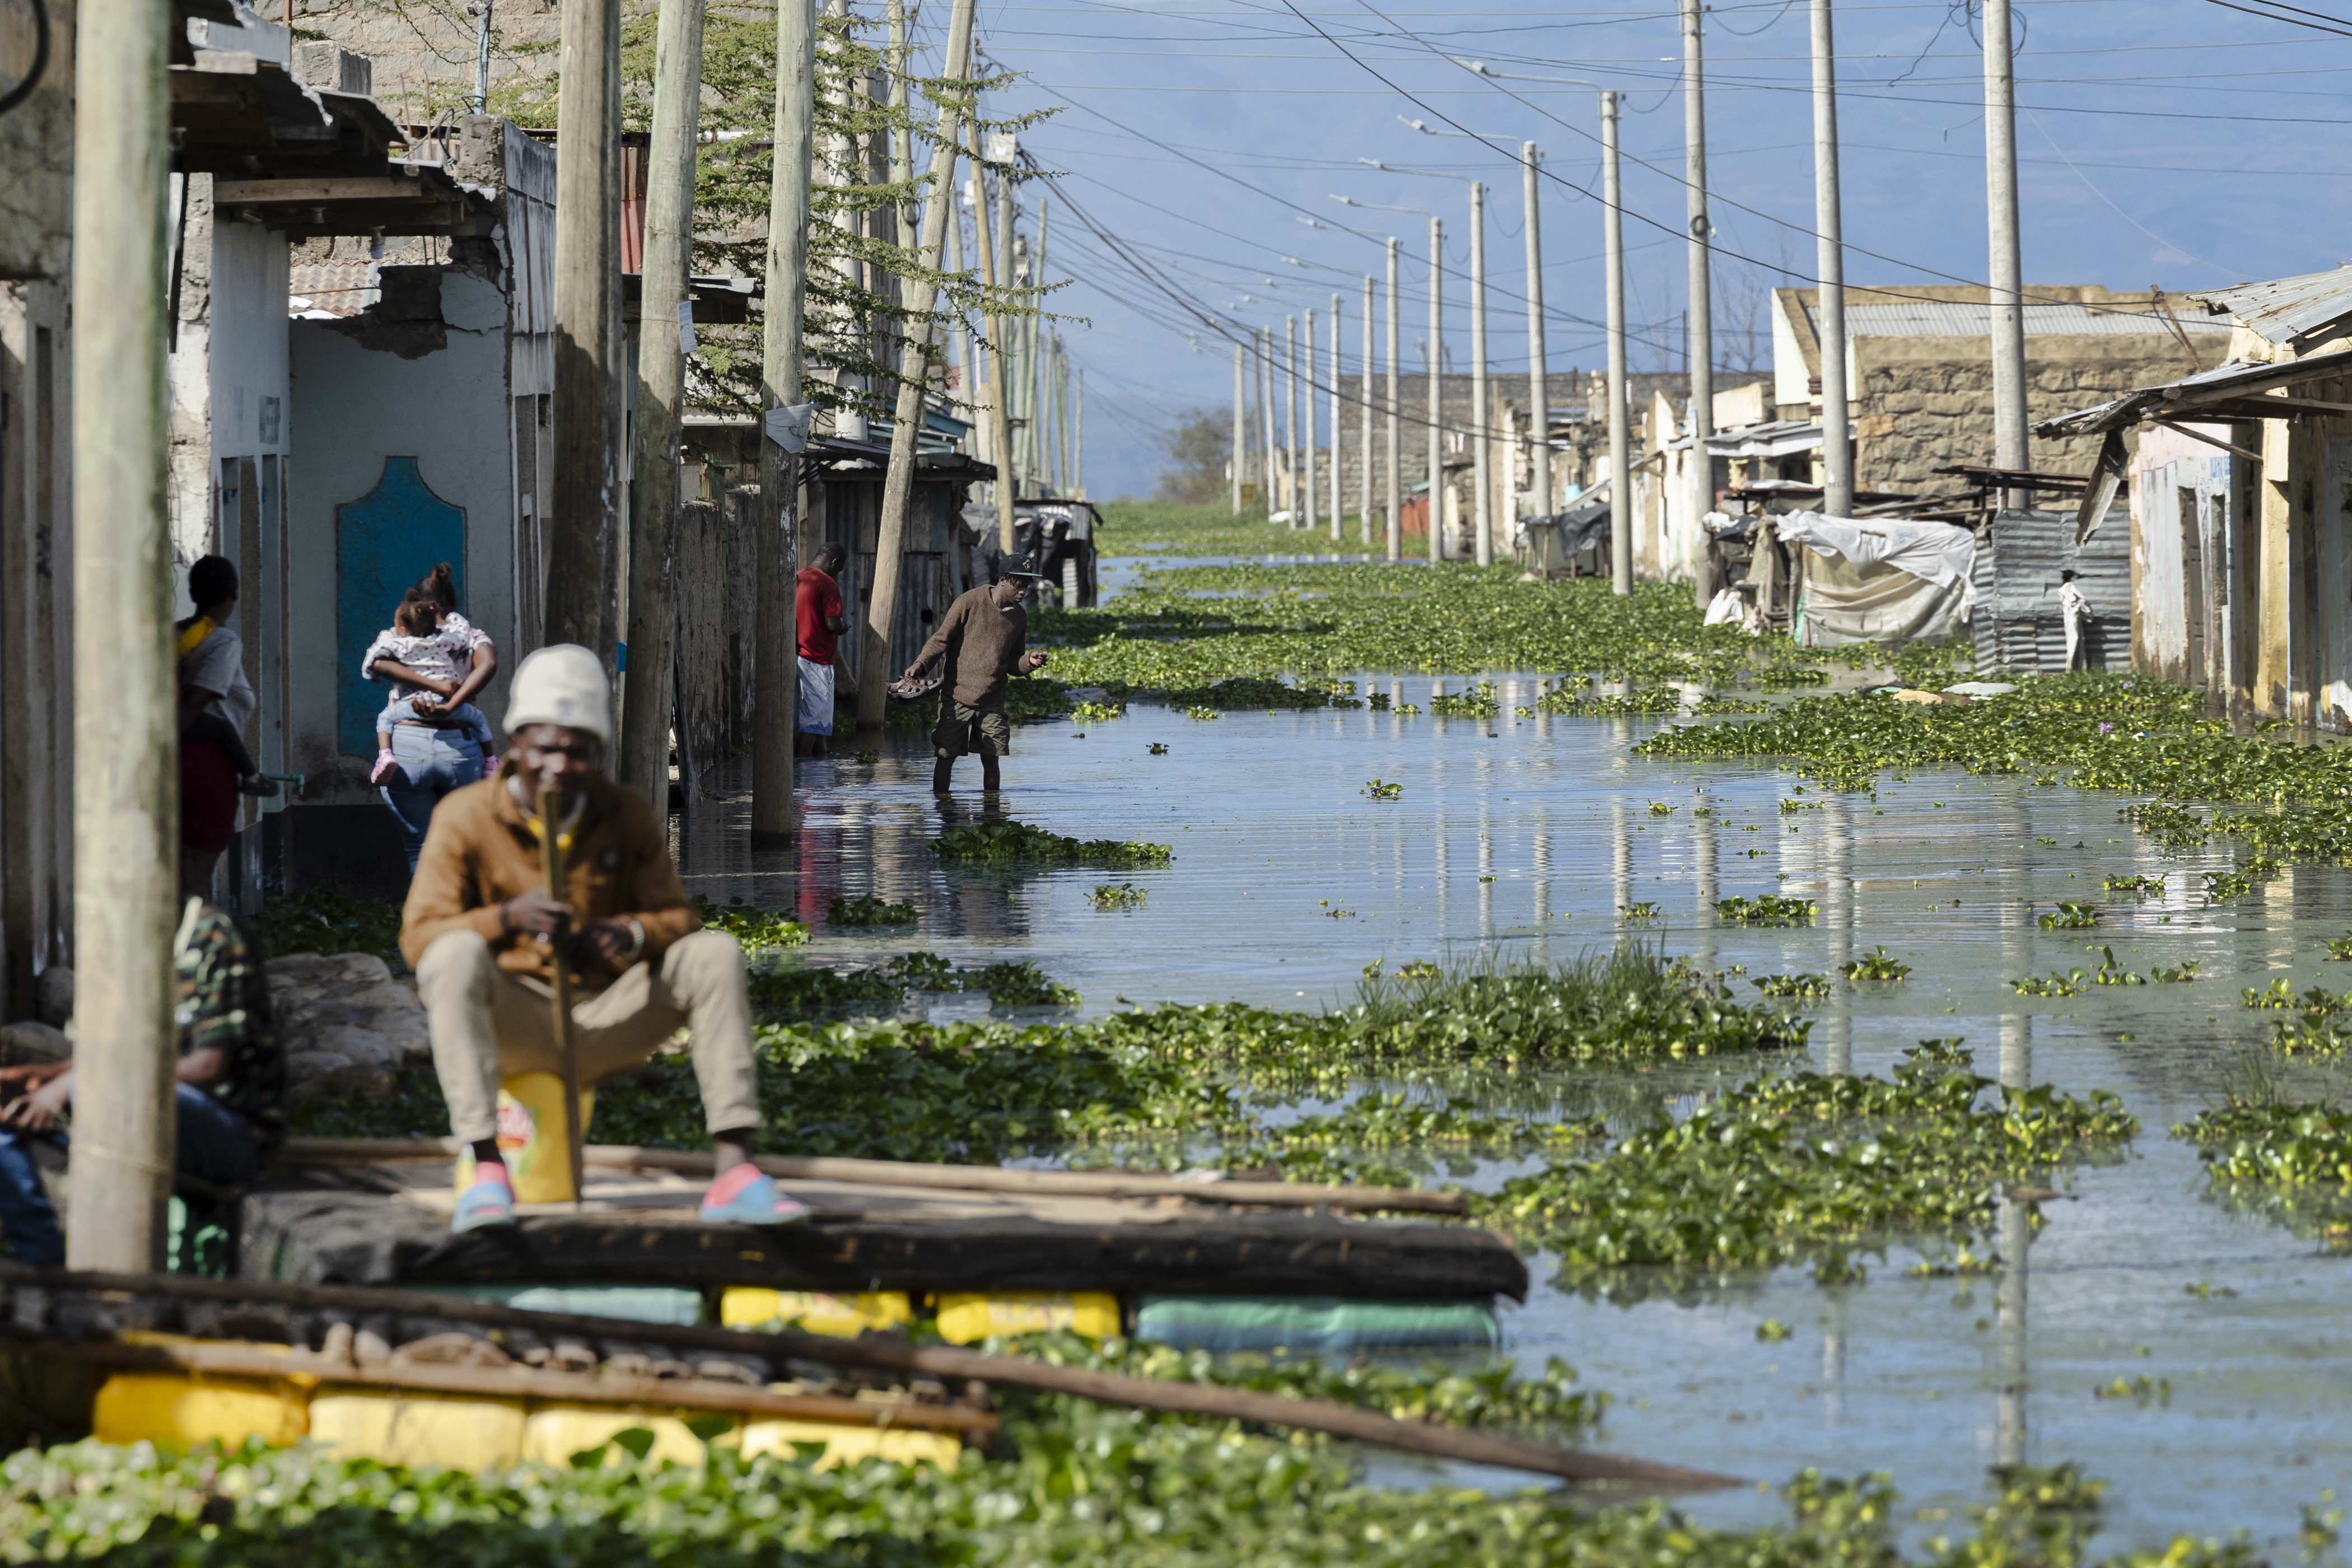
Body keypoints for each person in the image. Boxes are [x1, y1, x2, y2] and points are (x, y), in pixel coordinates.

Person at [402, 643, 808, 1234]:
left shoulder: (627, 814)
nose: (560, 767)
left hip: (607, 1017)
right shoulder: (465, 816)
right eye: (546, 750)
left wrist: (631, 933)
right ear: (517, 745)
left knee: (713, 952)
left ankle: (735, 1170)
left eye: (578, 753)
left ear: (597, 752)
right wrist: (506, 918)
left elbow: (679, 919)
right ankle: (488, 1166)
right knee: (455, 955)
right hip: (515, 1021)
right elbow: (419, 938)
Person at [0, 898, 284, 1266]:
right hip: (148, 1109)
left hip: (232, 1136)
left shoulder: (213, 936)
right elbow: (111, 1059)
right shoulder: (127, 941)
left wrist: (74, 1084)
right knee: (8, 1126)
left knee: (93, 1090)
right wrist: (35, 1076)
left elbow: (207, 1066)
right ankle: (43, 1269)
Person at [365, 566, 497, 872]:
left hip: (408, 745)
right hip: (460, 747)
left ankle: (426, 919)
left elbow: (378, 664)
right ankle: (464, 918)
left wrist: (429, 687)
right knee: (465, 847)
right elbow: (487, 665)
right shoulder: (470, 637)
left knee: (420, 848)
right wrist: (451, 702)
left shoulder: (397, 635)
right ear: (450, 606)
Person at [901, 559, 1049, 795]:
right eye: (1018, 585)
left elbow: (1013, 662)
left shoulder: (1019, 617)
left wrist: (1028, 662)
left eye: (1026, 586)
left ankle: (991, 815)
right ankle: (943, 814)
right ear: (1002, 579)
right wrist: (921, 664)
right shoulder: (969, 602)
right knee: (945, 756)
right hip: (956, 694)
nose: (1023, 591)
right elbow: (942, 639)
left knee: (992, 759)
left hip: (992, 699)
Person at [176, 556, 271, 899]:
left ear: (192, 591)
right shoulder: (223, 642)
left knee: (176, 871)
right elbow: (196, 702)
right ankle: (202, 947)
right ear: (233, 594)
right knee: (196, 878)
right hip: (208, 768)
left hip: (173, 762)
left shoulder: (174, 635)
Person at [795, 544, 850, 759]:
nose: (839, 573)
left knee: (819, 723)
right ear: (835, 563)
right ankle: (802, 781)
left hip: (800, 656)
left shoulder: (799, 577)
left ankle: (821, 774)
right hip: (817, 660)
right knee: (812, 725)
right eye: (840, 568)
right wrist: (844, 626)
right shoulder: (828, 584)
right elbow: (832, 625)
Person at [2058, 569, 2093, 673]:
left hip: (2068, 617)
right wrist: (2078, 607)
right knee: (2076, 640)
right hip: (2073, 616)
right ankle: (2073, 669)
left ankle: (2073, 669)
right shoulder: (2070, 586)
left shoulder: (2062, 589)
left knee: (2074, 640)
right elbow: (2083, 598)